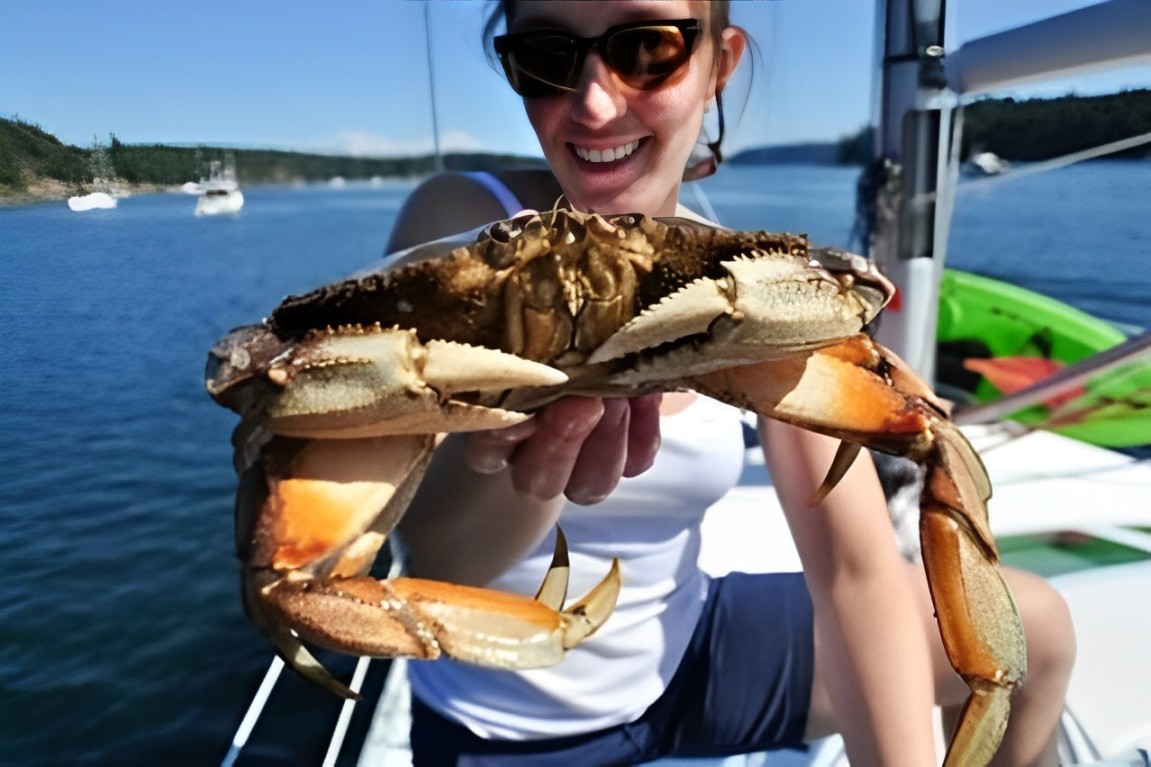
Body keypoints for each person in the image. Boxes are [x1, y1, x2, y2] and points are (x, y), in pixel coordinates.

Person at [394, 2, 1076, 765]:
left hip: (692, 651)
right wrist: (528, 454)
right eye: (547, 57)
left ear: (719, 64)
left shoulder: (753, 281)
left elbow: (855, 573)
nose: (590, 102)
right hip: (516, 726)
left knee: (1035, 629)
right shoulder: (465, 230)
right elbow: (439, 559)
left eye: (646, 47)